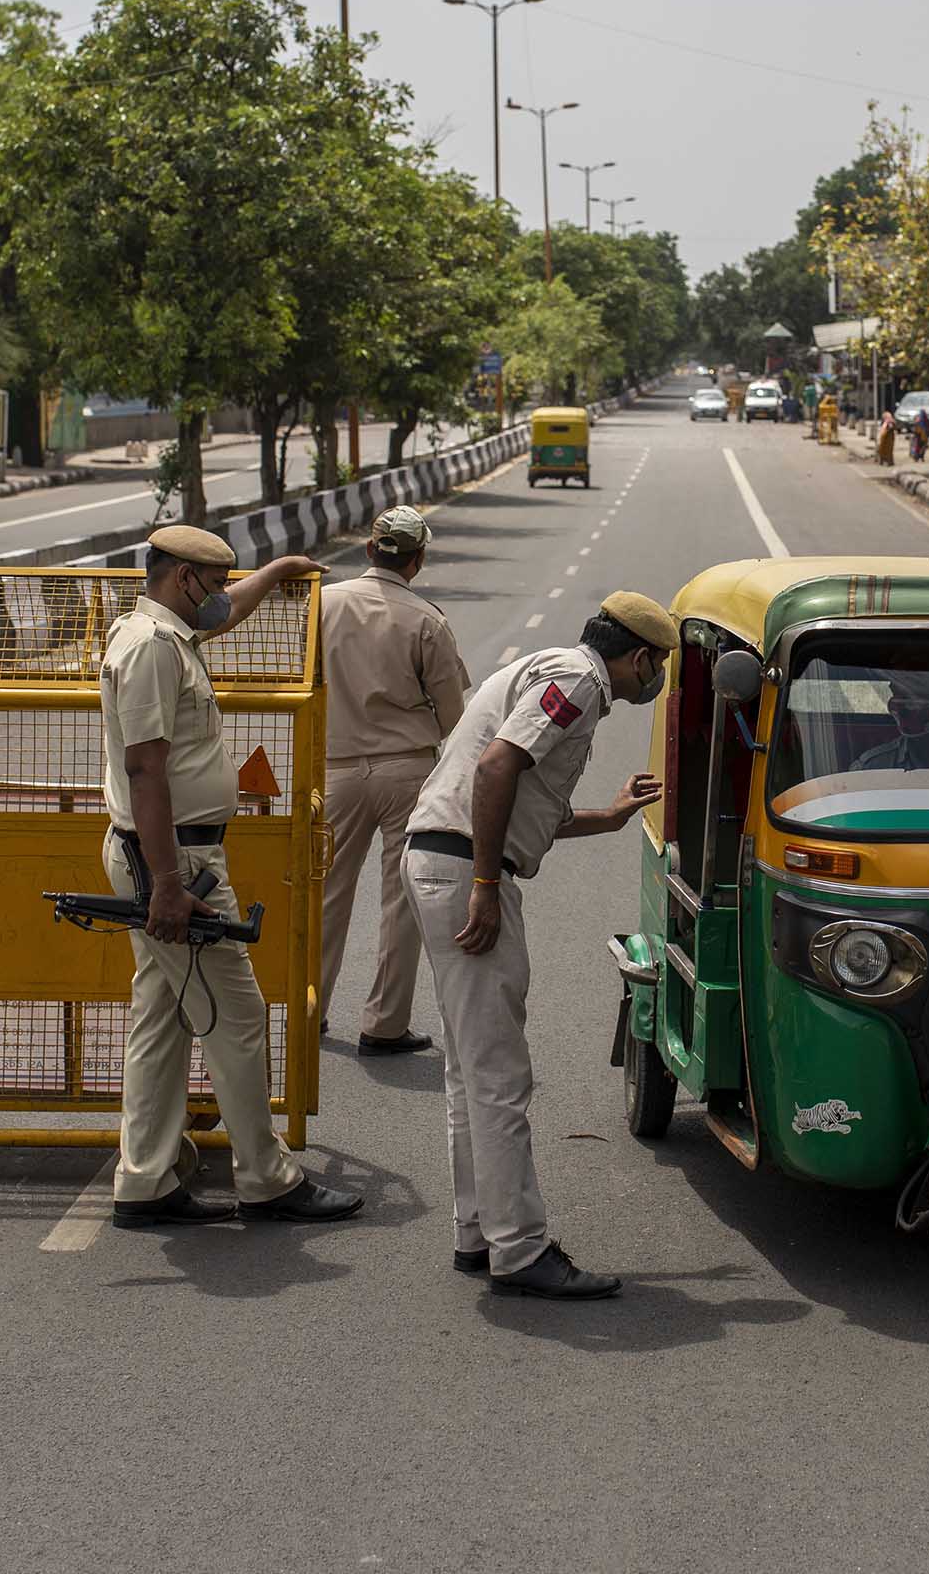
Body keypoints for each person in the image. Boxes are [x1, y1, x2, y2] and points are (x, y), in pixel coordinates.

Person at [403, 593, 671, 1299]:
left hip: (443, 857)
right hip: (464, 867)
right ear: (640, 658)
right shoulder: (579, 682)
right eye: (660, 665)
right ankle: (519, 1252)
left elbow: (518, 805)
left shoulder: (552, 667)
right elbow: (496, 769)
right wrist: (487, 884)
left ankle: (480, 1234)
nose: (658, 681)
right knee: (499, 1077)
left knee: (470, 1072)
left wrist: (607, 818)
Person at [100, 524, 361, 1229]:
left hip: (172, 854)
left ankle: (146, 1178)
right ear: (184, 579)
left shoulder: (159, 632)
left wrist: (275, 572)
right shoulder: (154, 651)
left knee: (161, 1018)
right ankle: (267, 1178)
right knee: (238, 1015)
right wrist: (165, 884)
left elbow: (230, 609)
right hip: (172, 859)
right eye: (212, 585)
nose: (221, 598)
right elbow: (145, 769)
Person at [315, 505, 472, 1055]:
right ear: (418, 559)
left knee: (324, 897)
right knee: (401, 900)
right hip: (407, 772)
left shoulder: (323, 604)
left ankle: (310, 1008)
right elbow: (455, 719)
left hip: (334, 770)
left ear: (368, 550)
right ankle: (384, 1025)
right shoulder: (426, 620)